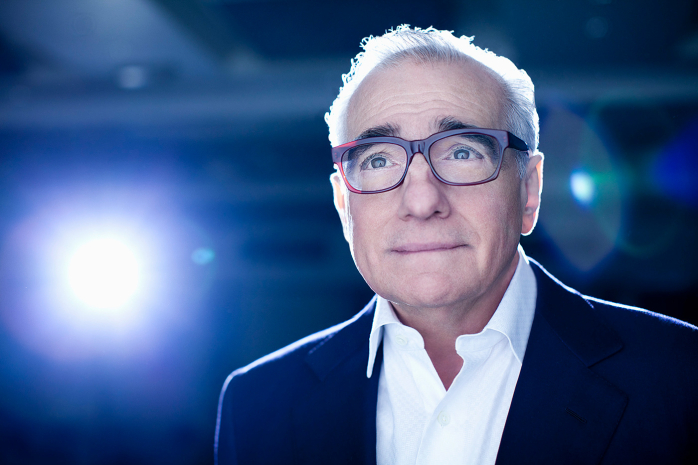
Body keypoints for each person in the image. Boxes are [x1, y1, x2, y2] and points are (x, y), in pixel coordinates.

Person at [215, 26, 698, 465]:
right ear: (345, 205)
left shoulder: (681, 377)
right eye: (379, 160)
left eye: (462, 152)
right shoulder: (256, 407)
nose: (422, 201)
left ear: (529, 190)